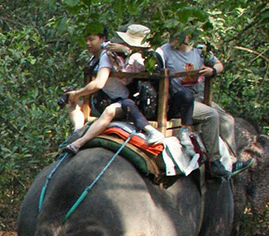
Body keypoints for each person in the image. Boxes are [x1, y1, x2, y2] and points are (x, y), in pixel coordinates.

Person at [155, 28, 244, 176]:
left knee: (227, 119)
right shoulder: (163, 52)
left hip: (198, 97)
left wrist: (213, 70)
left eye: (177, 34)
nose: (172, 37)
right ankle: (213, 162)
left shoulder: (200, 50)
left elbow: (219, 64)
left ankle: (232, 161)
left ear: (188, 36)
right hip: (180, 101)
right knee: (211, 115)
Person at [61, 26, 163, 154]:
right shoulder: (97, 58)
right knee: (72, 104)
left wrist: (77, 93)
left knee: (109, 111)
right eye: (86, 40)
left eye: (91, 39)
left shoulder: (122, 56)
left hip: (124, 101)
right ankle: (77, 131)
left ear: (103, 39)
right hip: (103, 99)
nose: (88, 43)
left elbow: (99, 83)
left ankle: (80, 142)